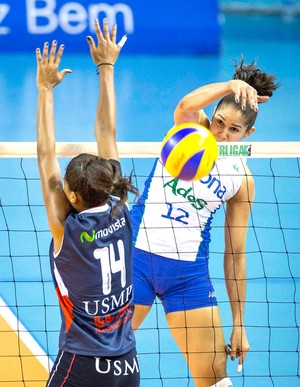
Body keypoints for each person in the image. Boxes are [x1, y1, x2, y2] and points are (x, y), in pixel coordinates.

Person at [131, 58, 279, 387]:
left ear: (248, 133)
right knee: (95, 356)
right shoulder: (192, 130)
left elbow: (236, 253)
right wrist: (229, 86)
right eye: (219, 122)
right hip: (133, 261)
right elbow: (185, 105)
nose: (222, 134)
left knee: (214, 379)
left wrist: (239, 322)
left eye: (234, 129)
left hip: (186, 277)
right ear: (211, 117)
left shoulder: (241, 178)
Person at [36, 19, 140, 386]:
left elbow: (44, 154)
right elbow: (107, 133)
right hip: (127, 364)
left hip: (82, 364)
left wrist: (45, 89)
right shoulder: (121, 207)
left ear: (74, 196)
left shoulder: (67, 229)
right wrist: (106, 66)